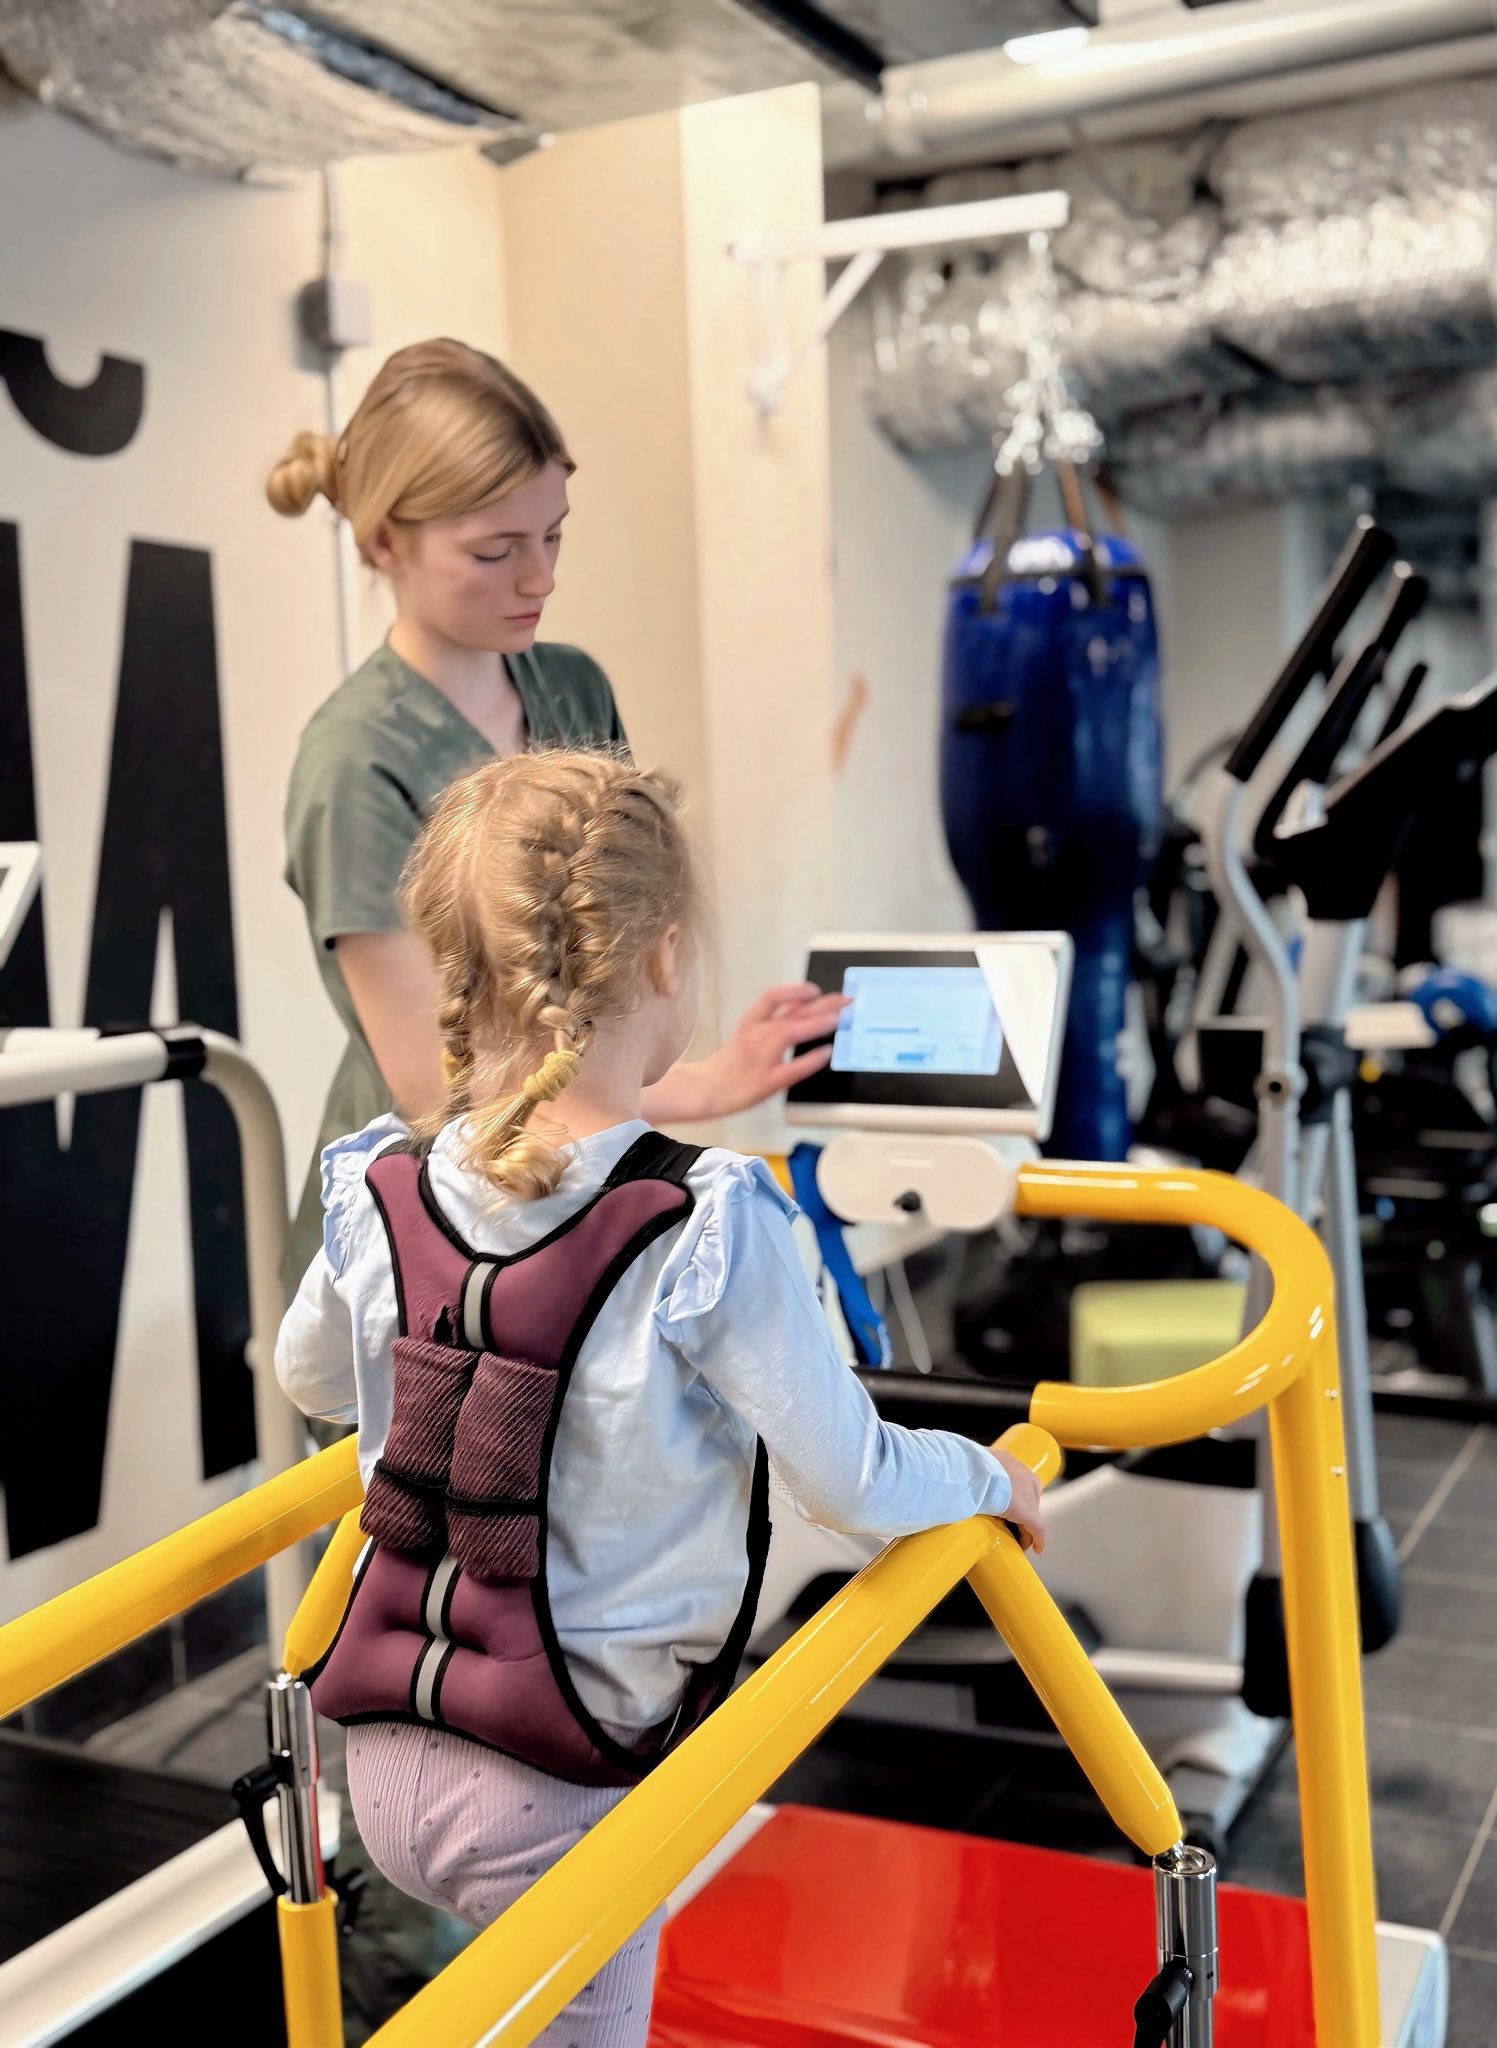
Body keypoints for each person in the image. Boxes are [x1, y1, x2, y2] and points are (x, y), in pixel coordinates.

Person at [274, 750, 1046, 2048]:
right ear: (668, 957)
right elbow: (851, 1481)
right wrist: (992, 1474)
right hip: (562, 1783)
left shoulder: (382, 1184)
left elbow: (307, 1377)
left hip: (381, 1762)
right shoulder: (707, 1219)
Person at [268, 337, 844, 1301]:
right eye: (495, 552)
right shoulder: (355, 762)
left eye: (554, 537)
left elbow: (625, 937)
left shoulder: (571, 688)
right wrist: (692, 1088)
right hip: (425, 1238)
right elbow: (441, 1084)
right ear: (385, 543)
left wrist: (688, 1068)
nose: (538, 579)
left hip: (577, 1185)